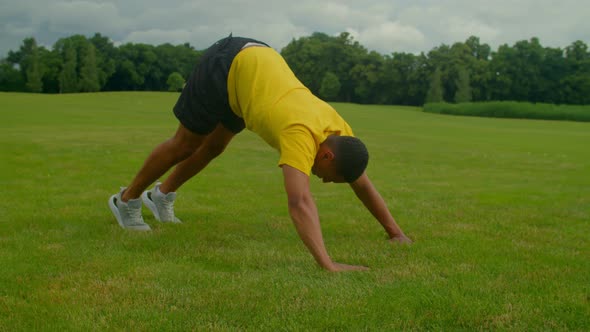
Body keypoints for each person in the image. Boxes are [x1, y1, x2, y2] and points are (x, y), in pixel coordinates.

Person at [108, 35, 411, 272]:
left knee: (214, 146)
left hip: (252, 77)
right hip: (227, 63)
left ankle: (161, 195)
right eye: (330, 179)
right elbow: (299, 201)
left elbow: (362, 183)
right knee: (187, 143)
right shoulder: (300, 134)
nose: (324, 182)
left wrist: (395, 232)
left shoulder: (339, 131)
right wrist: (327, 264)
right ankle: (127, 200)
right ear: (327, 157)